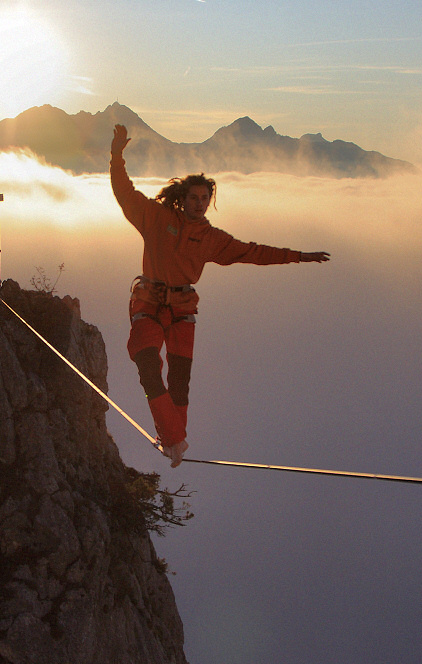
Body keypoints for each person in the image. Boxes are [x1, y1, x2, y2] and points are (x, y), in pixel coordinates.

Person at [110, 124, 329, 467]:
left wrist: (298, 255)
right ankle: (173, 438)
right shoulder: (156, 218)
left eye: (204, 199)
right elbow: (125, 192)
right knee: (147, 362)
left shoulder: (210, 238)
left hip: (182, 308)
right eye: (194, 198)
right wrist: (116, 155)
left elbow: (253, 252)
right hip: (150, 302)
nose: (199, 204)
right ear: (182, 199)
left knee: (179, 381)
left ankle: (173, 441)